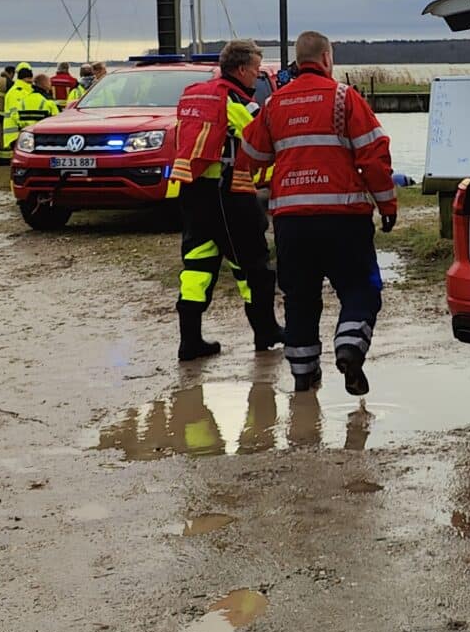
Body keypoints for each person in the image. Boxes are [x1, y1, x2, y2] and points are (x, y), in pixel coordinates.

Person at [239, 31, 396, 395]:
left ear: (297, 59)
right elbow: (374, 155)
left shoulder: (275, 104)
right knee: (361, 289)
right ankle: (350, 348)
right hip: (344, 218)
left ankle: (304, 375)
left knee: (300, 298)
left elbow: (251, 154)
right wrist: (387, 205)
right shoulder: (345, 98)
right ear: (326, 58)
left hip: (292, 222)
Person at [166, 40, 284, 361]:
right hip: (228, 193)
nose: (257, 78)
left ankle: (190, 341)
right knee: (253, 265)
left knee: (197, 266)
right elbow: (261, 135)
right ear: (243, 69)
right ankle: (266, 332)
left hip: (193, 191)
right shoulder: (235, 100)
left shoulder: (198, 94)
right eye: (257, 72)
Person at [1, 64, 57, 162]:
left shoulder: (25, 92)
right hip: (15, 133)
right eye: (30, 81)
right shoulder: (17, 92)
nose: (32, 83)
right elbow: (16, 115)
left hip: (23, 133)